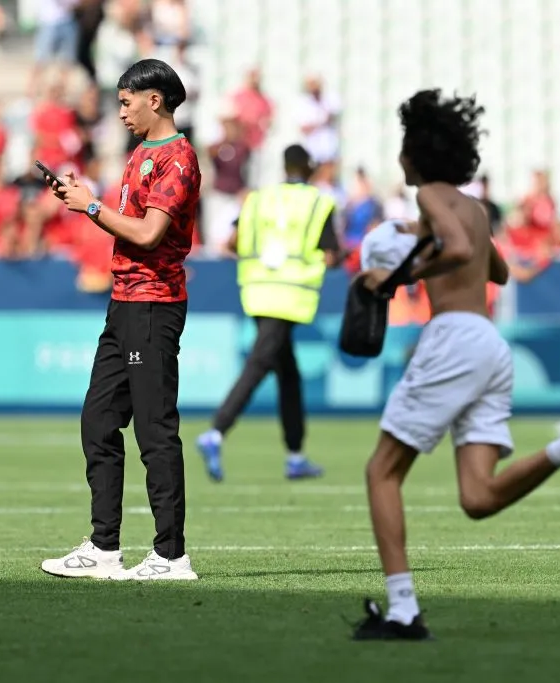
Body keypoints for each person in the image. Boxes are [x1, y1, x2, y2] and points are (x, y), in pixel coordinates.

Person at [350, 89, 560, 641]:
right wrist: (422, 246)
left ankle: (402, 611)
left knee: (380, 472)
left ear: (417, 152)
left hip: (453, 340)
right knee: (478, 498)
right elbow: (499, 272)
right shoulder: (472, 205)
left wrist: (394, 276)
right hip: (488, 346)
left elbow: (462, 252)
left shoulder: (432, 196)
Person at [40, 58, 202, 581]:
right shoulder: (140, 155)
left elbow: (150, 234)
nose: (122, 110)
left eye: (127, 100)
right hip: (124, 302)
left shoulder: (178, 159)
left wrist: (90, 208)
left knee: (155, 430)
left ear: (155, 99)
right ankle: (104, 548)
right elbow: (128, 223)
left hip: (154, 305)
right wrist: (84, 200)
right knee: (99, 421)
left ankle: (171, 556)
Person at [196, 144, 339, 482]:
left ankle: (295, 456)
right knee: (259, 364)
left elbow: (229, 243)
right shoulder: (319, 202)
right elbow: (332, 255)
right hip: (290, 295)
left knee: (288, 375)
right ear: (309, 168)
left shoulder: (258, 198)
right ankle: (216, 431)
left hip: (257, 291)